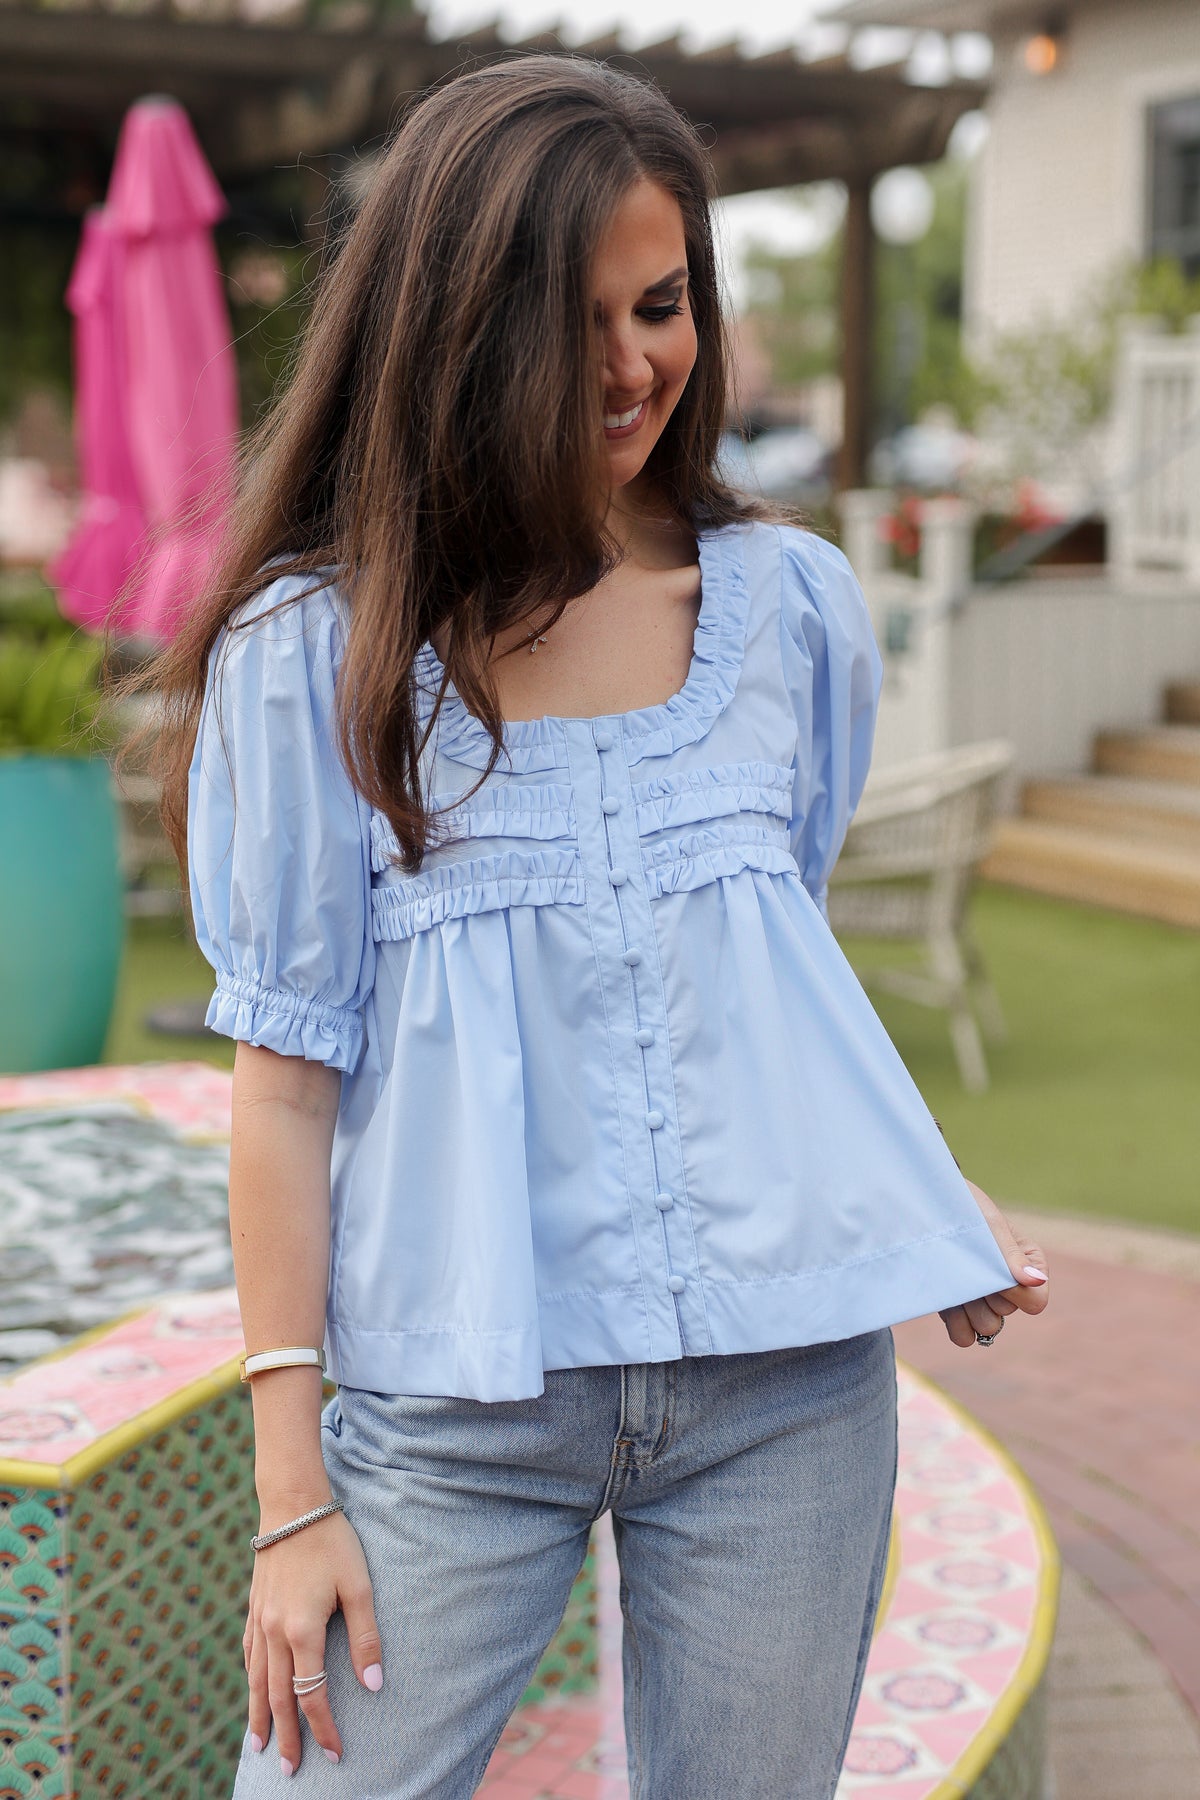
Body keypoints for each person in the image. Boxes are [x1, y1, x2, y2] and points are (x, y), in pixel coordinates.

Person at [140, 53, 1049, 1798]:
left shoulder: (787, 612)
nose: (636, 365)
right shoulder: (310, 660)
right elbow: (281, 1090)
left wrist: (897, 1193)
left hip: (789, 1399)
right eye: (579, 322)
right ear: (457, 329)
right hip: (452, 1416)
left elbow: (757, 963)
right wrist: (291, 1499)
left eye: (665, 303)